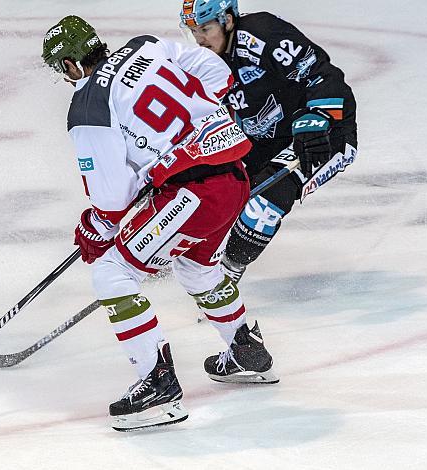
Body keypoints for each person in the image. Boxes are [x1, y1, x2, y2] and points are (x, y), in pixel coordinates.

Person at [42, 15, 278, 432]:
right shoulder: (144, 46)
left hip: (195, 193)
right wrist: (195, 127)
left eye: (62, 69)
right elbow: (216, 70)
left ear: (73, 65)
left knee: (112, 271)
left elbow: (112, 198)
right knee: (197, 267)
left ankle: (158, 384)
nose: (65, 79)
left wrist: (96, 227)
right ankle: (245, 348)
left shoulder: (87, 106)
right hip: (234, 176)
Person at [180, 0, 358, 282]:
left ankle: (226, 277)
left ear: (227, 20)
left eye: (205, 28)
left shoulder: (261, 35)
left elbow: (321, 72)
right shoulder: (210, 61)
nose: (199, 39)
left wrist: (318, 116)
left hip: (322, 136)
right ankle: (182, 254)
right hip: (263, 140)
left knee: (263, 203)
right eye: (193, 31)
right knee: (208, 188)